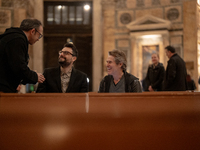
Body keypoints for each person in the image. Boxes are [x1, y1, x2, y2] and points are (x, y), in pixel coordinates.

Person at [0, 18, 45, 93]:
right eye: (39, 35)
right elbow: (19, 67)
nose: (38, 39)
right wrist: (35, 76)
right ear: (33, 31)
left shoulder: (14, 37)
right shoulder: (17, 40)